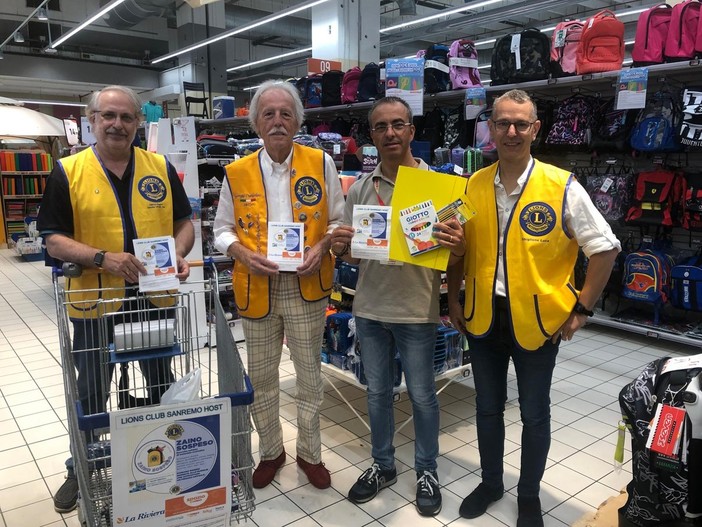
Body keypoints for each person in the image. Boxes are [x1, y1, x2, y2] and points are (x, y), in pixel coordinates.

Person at [446, 89, 620, 527]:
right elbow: (457, 247)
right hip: (483, 316)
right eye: (503, 122)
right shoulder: (473, 184)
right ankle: (491, 483)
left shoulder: (561, 186)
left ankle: (528, 495)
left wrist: (582, 309)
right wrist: (453, 298)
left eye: (520, 124)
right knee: (487, 407)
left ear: (535, 129)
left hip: (539, 322)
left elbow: (605, 249)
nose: (511, 131)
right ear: (491, 127)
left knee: (534, 413)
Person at [38, 85, 195, 513]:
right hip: (95, 302)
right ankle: (82, 466)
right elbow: (53, 240)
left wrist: (179, 253)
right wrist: (103, 258)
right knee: (91, 390)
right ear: (92, 120)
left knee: (162, 383)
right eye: (108, 116)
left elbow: (184, 222)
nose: (117, 124)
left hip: (153, 299)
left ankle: (164, 458)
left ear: (138, 123)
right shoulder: (68, 171)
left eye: (127, 117)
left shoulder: (159, 166)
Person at [330, 96, 465, 516]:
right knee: (377, 394)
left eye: (397, 124)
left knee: (423, 396)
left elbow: (455, 257)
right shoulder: (361, 189)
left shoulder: (438, 187)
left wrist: (458, 246)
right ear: (371, 136)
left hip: (417, 310)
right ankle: (383, 464)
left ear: (411, 130)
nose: (390, 132)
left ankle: (427, 470)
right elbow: (354, 257)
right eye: (380, 126)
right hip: (370, 309)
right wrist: (340, 247)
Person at [213, 80, 345, 490]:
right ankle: (271, 452)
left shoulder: (320, 163)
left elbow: (338, 221)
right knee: (262, 378)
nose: (277, 121)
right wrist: (242, 253)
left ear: (297, 121)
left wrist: (322, 247)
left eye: (286, 114)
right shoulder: (236, 173)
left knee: (309, 377)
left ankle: (310, 453)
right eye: (268, 114)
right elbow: (220, 230)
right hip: (257, 286)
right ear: (256, 123)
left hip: (308, 285)